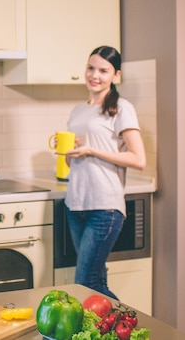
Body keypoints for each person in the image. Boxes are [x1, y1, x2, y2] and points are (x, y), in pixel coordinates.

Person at [63, 46, 146, 299]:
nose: (94, 75)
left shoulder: (122, 107)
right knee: (96, 279)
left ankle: (130, 330)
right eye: (91, 68)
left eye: (103, 70)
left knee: (85, 282)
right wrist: (69, 151)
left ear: (116, 75)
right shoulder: (78, 110)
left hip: (105, 207)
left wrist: (92, 150)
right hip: (76, 204)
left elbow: (138, 158)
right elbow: (74, 163)